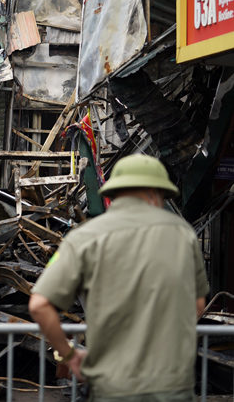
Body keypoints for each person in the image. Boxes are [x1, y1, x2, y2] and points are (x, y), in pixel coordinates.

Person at [28, 154, 209, 401]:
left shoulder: (84, 237)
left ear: (113, 195)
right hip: (171, 383)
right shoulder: (183, 235)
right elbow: (197, 305)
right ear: (155, 193)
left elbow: (39, 305)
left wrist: (70, 356)